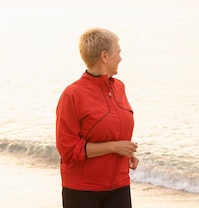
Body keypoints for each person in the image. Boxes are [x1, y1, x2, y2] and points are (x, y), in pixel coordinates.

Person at [55, 27, 139, 208]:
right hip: (82, 190)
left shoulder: (119, 88)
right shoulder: (72, 94)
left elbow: (112, 130)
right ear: (105, 56)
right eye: (118, 52)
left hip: (119, 185)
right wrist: (114, 147)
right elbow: (67, 149)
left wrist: (126, 152)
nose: (121, 58)